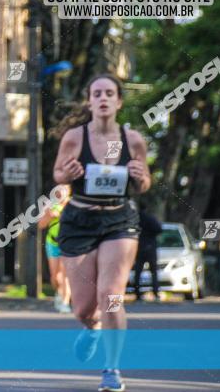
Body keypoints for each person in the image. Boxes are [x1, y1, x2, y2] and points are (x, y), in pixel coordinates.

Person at [52, 74, 151, 392]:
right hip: (79, 221)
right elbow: (57, 173)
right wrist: (65, 174)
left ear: (119, 101)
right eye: (97, 93)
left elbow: (145, 181)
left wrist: (140, 176)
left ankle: (112, 369)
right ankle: (92, 328)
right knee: (83, 307)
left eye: (110, 93)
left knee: (110, 296)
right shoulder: (74, 137)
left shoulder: (133, 139)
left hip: (118, 221)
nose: (104, 98)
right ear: (90, 100)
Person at [39, 184, 72, 312]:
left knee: (65, 275)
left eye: (64, 189)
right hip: (52, 242)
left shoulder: (72, 204)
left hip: (68, 243)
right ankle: (59, 292)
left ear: (68, 191)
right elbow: (40, 225)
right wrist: (49, 216)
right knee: (55, 276)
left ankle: (65, 302)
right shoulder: (50, 204)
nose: (61, 192)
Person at [132, 202, 163, 302]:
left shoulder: (135, 219)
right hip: (150, 247)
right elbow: (159, 229)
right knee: (153, 271)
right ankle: (155, 292)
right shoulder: (150, 218)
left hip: (138, 247)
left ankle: (137, 293)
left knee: (138, 271)